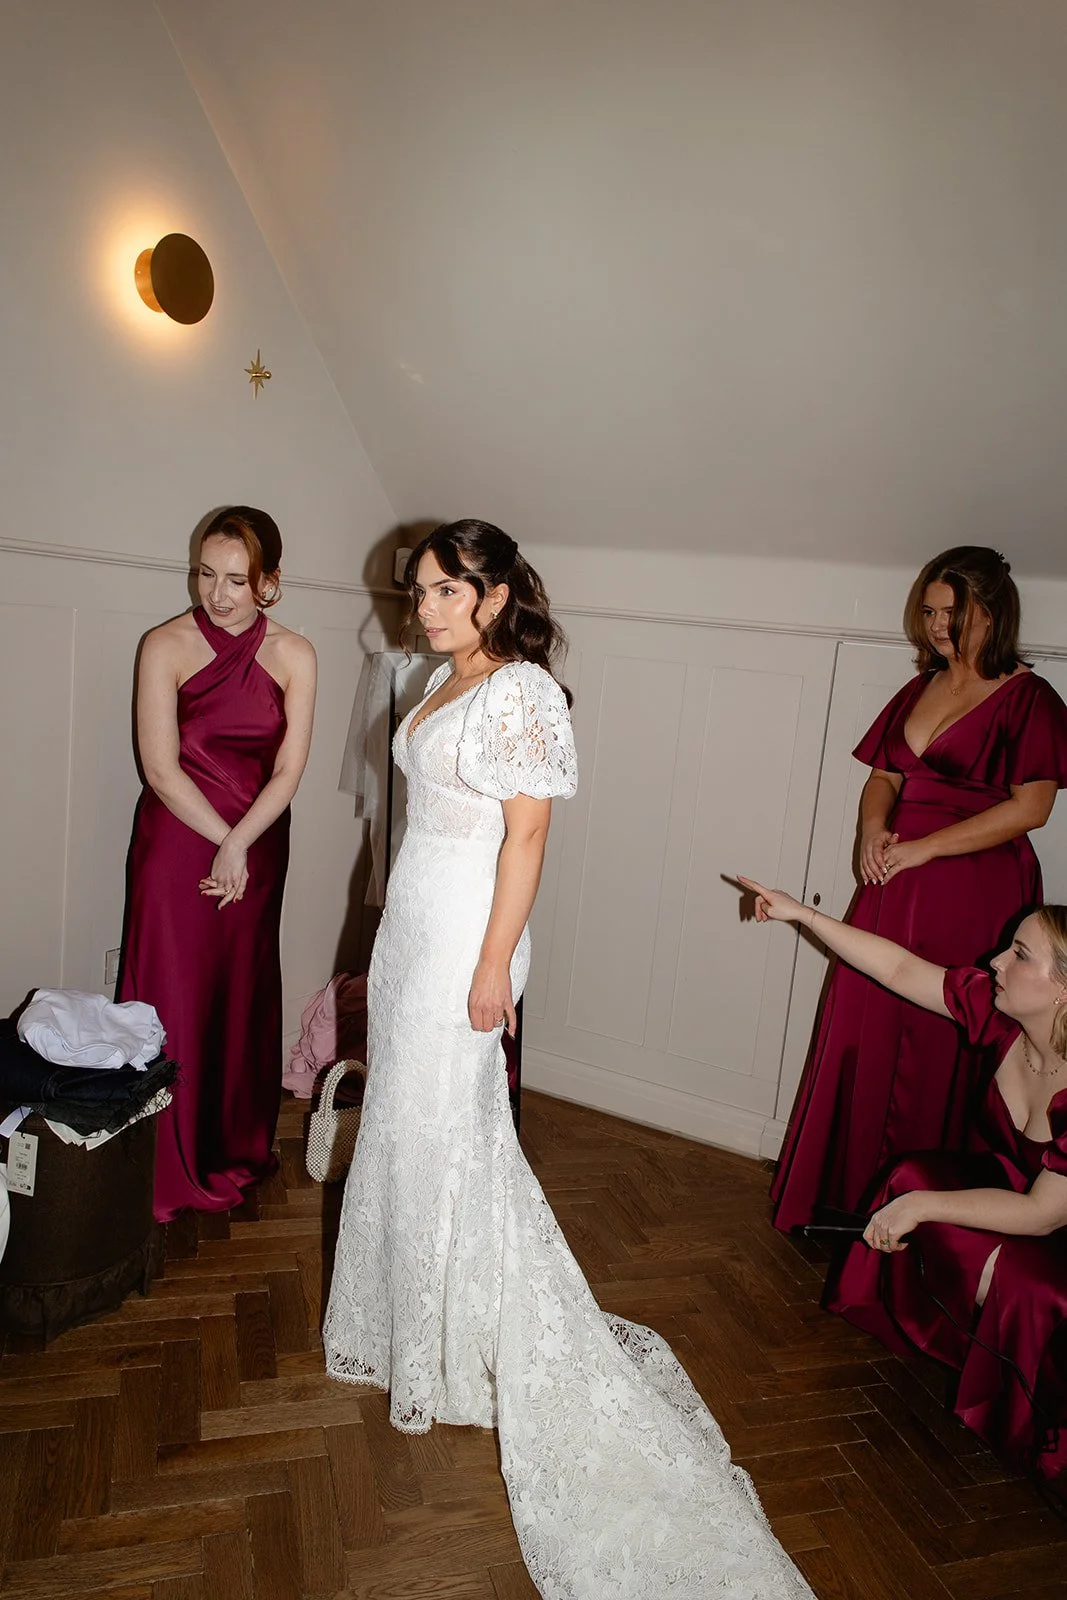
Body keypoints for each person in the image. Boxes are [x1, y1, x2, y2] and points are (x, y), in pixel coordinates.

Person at [324, 521, 813, 1599]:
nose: (424, 607)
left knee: (450, 1134)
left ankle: (458, 1345)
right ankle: (423, 1327)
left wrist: (493, 964)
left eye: (445, 591)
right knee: (409, 1129)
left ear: (495, 596)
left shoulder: (522, 693)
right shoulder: (438, 677)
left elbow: (528, 838)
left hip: (467, 935)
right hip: (413, 924)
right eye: (419, 590)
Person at [772, 546, 1067, 1232]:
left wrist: (925, 847)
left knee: (941, 1040)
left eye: (949, 612)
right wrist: (873, 831)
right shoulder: (920, 687)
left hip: (974, 885)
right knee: (862, 1023)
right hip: (893, 880)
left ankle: (931, 1213)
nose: (935, 626)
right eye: (928, 612)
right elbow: (884, 776)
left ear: (990, 612)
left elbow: (1031, 809)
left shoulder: (1030, 698)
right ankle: (840, 1201)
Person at [741, 875, 1067, 1480]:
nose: (996, 960)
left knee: (1018, 1277)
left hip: (1055, 1225)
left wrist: (923, 1206)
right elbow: (897, 968)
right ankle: (911, 1325)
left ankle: (1024, 1425)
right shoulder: (1003, 1020)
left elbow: (1045, 1215)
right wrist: (801, 915)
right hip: (1017, 1187)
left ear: (1064, 990)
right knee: (910, 1175)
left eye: (1019, 954)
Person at [118, 506, 317, 1220]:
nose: (218, 594)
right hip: (177, 843)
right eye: (206, 574)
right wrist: (222, 839)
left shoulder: (295, 654)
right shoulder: (163, 644)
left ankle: (234, 1145)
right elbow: (160, 768)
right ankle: (160, 1163)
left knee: (240, 990)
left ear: (270, 580)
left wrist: (241, 842)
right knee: (173, 993)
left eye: (237, 579)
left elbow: (289, 769)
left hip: (258, 842)